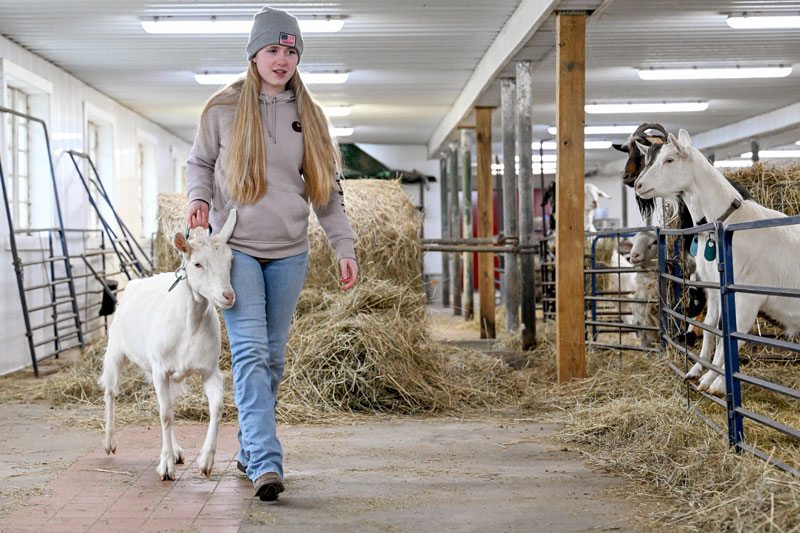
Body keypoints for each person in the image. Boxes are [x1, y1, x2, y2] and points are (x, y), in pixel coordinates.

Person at [185, 6, 358, 501]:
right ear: (254, 55)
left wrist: (342, 244)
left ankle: (247, 449)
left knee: (273, 358)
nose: (281, 60)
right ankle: (265, 462)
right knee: (249, 353)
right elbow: (199, 163)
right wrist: (199, 198)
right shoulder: (221, 109)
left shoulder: (311, 117)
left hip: (289, 252)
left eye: (289, 51)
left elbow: (326, 190)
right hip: (234, 253)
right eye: (272, 50)